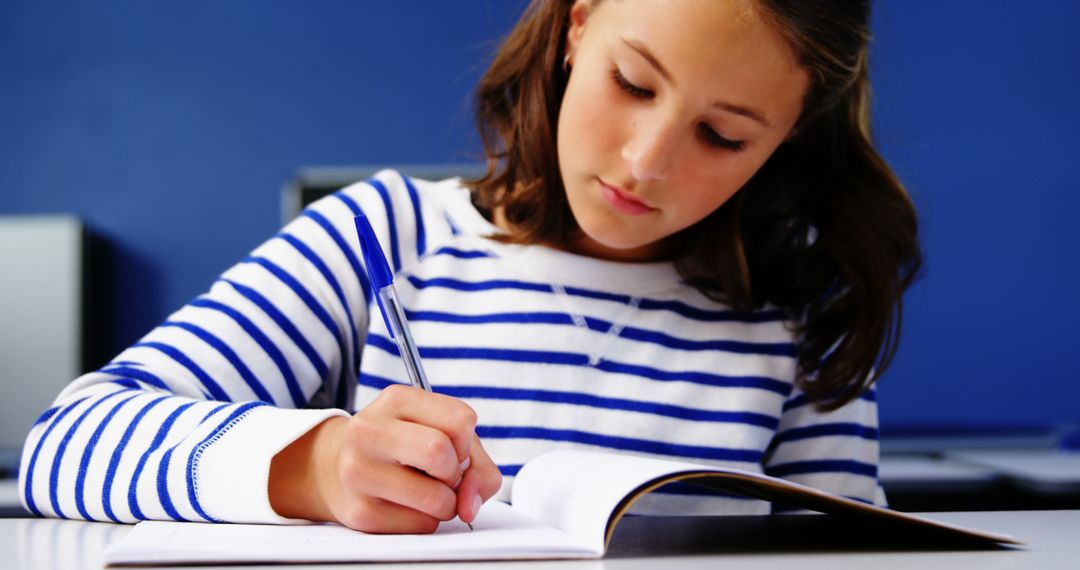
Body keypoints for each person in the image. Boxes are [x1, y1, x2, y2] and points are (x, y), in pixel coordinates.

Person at [19, 0, 921, 534]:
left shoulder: (797, 313)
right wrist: (320, 466)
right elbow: (63, 445)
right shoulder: (388, 237)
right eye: (633, 84)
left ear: (786, 140)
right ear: (577, 29)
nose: (646, 161)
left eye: (723, 136)